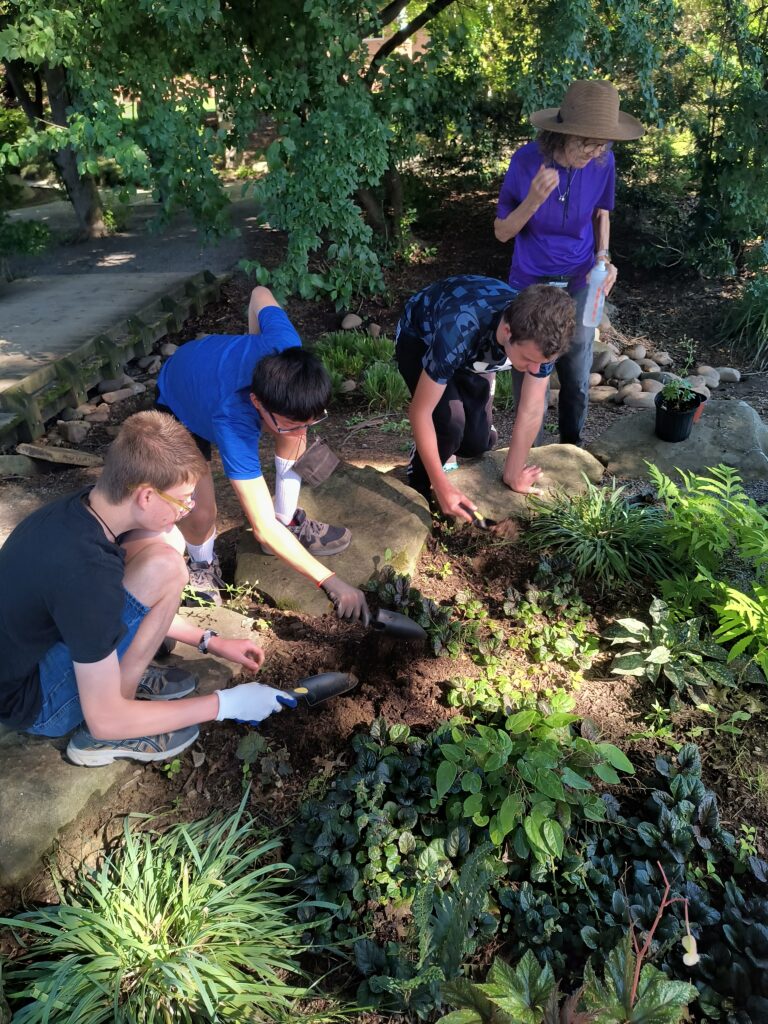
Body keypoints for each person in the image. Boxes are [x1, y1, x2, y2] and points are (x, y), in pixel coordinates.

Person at [0, 411, 299, 767]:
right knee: (166, 566)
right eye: (183, 499)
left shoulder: (86, 510)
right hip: (34, 703)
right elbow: (104, 716)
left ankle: (116, 677)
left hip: (36, 652)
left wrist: (210, 641)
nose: (188, 508)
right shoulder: (87, 575)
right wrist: (227, 704)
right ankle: (104, 738)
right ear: (144, 495)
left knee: (163, 548)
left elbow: (112, 610)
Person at [155, 286, 369, 623]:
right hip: (180, 399)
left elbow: (258, 293)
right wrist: (329, 580)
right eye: (288, 423)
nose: (302, 434)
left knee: (293, 436)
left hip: (216, 369)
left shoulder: (285, 347)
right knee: (199, 511)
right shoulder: (233, 421)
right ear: (257, 403)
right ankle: (201, 564)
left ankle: (288, 518)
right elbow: (261, 527)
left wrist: (252, 345)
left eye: (310, 422)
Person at [494, 80, 644, 447]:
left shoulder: (603, 160)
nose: (595, 152)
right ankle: (532, 451)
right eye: (587, 142)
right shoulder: (526, 161)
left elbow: (601, 213)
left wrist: (604, 257)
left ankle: (571, 449)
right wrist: (532, 199)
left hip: (581, 280)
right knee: (530, 368)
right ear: (562, 135)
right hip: (531, 282)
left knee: (577, 372)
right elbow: (502, 232)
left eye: (603, 143)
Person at [396, 275, 574, 520]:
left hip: (475, 353)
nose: (536, 370)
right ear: (507, 330)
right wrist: (442, 486)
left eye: (542, 363)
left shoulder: (540, 340)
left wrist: (513, 473)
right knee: (449, 427)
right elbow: (420, 411)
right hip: (423, 339)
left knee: (476, 444)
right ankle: (418, 483)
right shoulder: (459, 327)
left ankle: (446, 446)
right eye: (529, 360)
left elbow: (532, 409)